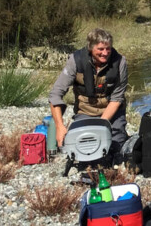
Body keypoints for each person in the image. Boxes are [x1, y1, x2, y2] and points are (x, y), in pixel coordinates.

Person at [49, 28, 129, 158]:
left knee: (114, 149)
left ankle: (122, 136)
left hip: (112, 112)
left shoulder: (120, 62)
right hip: (86, 111)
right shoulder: (75, 60)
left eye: (108, 49)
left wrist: (101, 127)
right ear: (91, 48)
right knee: (84, 149)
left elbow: (117, 98)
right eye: (100, 49)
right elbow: (55, 95)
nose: (105, 53)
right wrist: (59, 126)